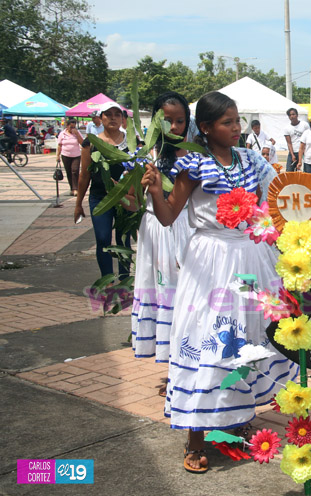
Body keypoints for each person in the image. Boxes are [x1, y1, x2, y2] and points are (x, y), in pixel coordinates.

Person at [141, 91, 298, 474]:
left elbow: (276, 199)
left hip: (253, 257)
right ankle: (195, 438)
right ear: (207, 128)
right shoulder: (193, 164)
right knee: (209, 339)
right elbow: (168, 216)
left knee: (250, 337)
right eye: (228, 122)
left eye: (237, 120)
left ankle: (237, 416)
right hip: (210, 261)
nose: (236, 128)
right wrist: (156, 190)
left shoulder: (251, 159)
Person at [129, 91, 195, 378]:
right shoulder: (145, 157)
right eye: (168, 121)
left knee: (188, 294)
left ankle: (189, 361)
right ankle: (172, 365)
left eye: (180, 120)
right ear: (156, 121)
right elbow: (132, 203)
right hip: (156, 232)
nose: (175, 127)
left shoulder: (196, 155)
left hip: (187, 230)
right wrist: (131, 186)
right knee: (163, 292)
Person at [75, 102, 132, 279]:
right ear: (101, 118)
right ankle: (107, 279)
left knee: (124, 240)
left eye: (117, 114)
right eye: (108, 114)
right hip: (100, 198)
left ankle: (124, 279)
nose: (113, 118)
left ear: (122, 119)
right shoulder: (91, 143)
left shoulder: (132, 142)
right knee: (102, 239)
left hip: (125, 199)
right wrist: (78, 204)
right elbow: (84, 175)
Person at [56, 118, 84, 196]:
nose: (72, 129)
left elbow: (82, 143)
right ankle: (72, 188)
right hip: (65, 155)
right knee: (69, 172)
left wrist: (77, 134)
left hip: (76, 155)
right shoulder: (62, 134)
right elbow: (59, 145)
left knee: (75, 170)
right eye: (71, 127)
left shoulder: (77, 133)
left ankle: (76, 188)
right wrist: (58, 155)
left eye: (74, 127)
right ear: (67, 126)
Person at [283, 107, 309, 172]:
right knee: (289, 171)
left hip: (303, 152)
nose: (292, 116)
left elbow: (308, 138)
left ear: (297, 115)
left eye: (293, 114)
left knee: (303, 171)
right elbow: (289, 143)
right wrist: (292, 155)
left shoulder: (304, 125)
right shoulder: (287, 128)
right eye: (290, 115)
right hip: (294, 152)